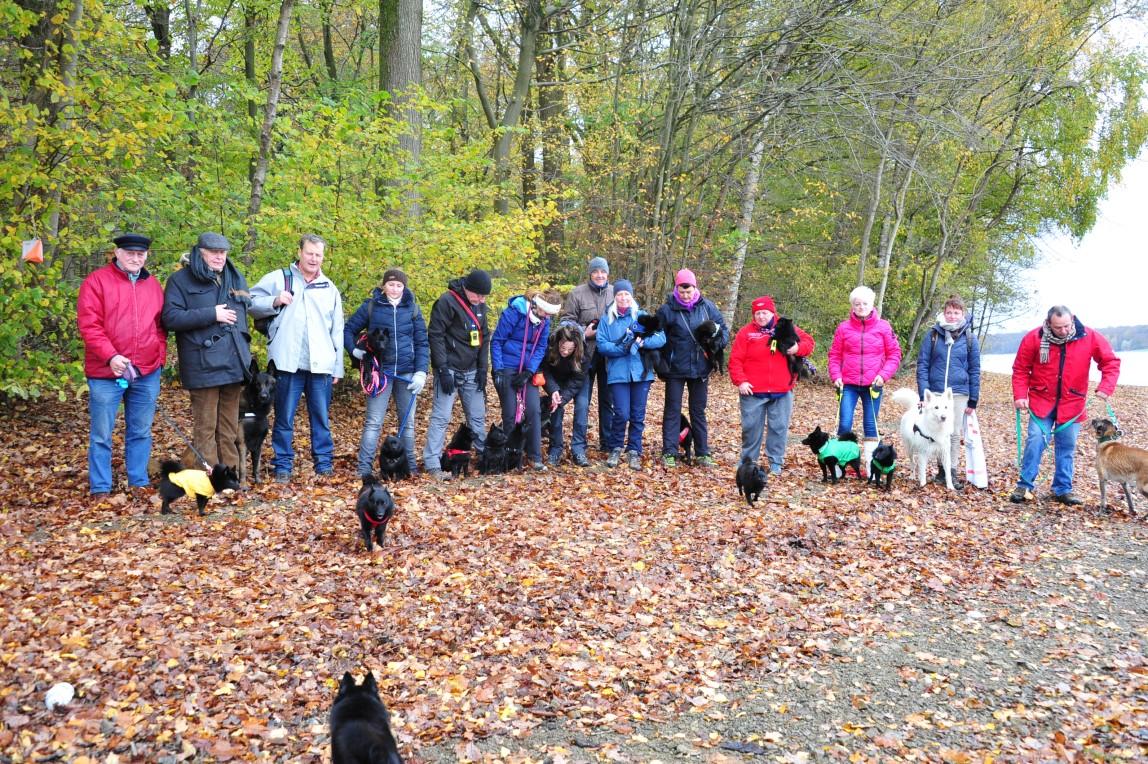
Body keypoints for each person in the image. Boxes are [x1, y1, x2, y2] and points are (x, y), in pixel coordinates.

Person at [77, 233, 167, 499]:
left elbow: (160, 326)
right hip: (106, 373)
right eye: (130, 253)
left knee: (140, 430)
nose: (135, 258)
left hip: (146, 372)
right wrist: (111, 357)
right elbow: (89, 325)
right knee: (102, 433)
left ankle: (137, 480)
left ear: (146, 256)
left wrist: (158, 356)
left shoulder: (153, 285)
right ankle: (101, 486)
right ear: (117, 253)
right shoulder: (96, 282)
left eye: (140, 254)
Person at [249, 234, 344, 482]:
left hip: (320, 364)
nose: (313, 258)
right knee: (284, 417)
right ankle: (282, 465)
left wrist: (338, 367)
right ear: (300, 252)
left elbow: (337, 330)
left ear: (323, 257)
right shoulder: (279, 278)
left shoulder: (329, 287)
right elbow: (249, 301)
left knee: (321, 418)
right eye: (309, 253)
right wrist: (274, 300)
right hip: (286, 364)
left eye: (318, 254)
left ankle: (323, 463)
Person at [1010, 305, 1120, 505]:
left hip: (1073, 404)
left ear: (1073, 320)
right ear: (1049, 324)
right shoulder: (1033, 338)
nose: (1063, 331)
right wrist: (1020, 395)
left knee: (1066, 446)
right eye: (1058, 327)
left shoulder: (1090, 336)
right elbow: (1020, 368)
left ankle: (1062, 489)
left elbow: (1111, 363)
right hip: (1041, 400)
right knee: (1035, 439)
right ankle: (1024, 485)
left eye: (1066, 326)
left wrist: (1106, 387)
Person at [162, 232, 253, 471]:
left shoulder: (234, 278)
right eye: (214, 252)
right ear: (199, 253)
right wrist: (211, 314)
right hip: (202, 365)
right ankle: (209, 478)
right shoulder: (180, 280)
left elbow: (245, 317)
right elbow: (170, 318)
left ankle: (230, 476)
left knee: (229, 426)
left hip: (234, 364)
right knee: (205, 427)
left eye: (223, 252)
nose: (219, 257)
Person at [343, 268, 428, 478]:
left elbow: (422, 343)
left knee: (407, 424)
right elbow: (348, 330)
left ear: (404, 287)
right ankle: (364, 469)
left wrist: (421, 372)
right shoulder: (371, 306)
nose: (395, 288)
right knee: (373, 423)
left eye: (399, 285)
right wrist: (354, 351)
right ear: (384, 286)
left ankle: (409, 468)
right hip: (379, 372)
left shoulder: (413, 309)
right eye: (391, 284)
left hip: (407, 373)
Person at [728, 295, 815, 476]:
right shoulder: (746, 333)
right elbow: (735, 359)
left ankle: (775, 461)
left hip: (782, 389)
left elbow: (808, 342)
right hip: (752, 390)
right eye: (758, 313)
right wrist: (741, 381)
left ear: (772, 313)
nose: (761, 316)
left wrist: (798, 349)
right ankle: (748, 461)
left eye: (765, 313)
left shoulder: (785, 327)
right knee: (751, 428)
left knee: (779, 427)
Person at [423, 269, 493, 481]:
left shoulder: (480, 305)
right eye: (478, 295)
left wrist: (483, 368)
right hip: (450, 369)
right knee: (441, 417)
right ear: (467, 288)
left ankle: (485, 459)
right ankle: (432, 463)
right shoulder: (446, 302)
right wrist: (442, 369)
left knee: (477, 417)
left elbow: (484, 336)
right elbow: (435, 335)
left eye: (483, 297)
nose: (480, 300)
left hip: (472, 370)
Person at [655, 268, 728, 467]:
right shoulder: (666, 310)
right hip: (675, 369)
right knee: (672, 410)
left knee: (698, 410)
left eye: (689, 291)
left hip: (701, 368)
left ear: (695, 288)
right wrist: (660, 365)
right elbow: (656, 337)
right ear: (676, 288)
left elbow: (724, 330)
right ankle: (669, 451)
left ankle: (703, 453)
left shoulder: (708, 307)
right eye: (682, 291)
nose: (685, 295)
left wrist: (716, 344)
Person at [827, 285, 902, 475]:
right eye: (857, 304)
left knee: (871, 424)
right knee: (844, 423)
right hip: (848, 385)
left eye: (864, 303)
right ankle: (841, 464)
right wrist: (836, 376)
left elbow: (894, 355)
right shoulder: (843, 328)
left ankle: (872, 466)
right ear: (852, 305)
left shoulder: (883, 327)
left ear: (872, 304)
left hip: (873, 385)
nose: (861, 307)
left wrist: (883, 376)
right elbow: (834, 355)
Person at [595, 279, 666, 470]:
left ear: (631, 296)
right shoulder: (607, 320)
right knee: (621, 413)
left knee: (637, 414)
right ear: (615, 297)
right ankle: (616, 446)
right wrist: (623, 348)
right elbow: (602, 345)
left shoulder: (641, 316)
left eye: (626, 294)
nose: (623, 298)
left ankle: (634, 449)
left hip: (641, 373)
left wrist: (644, 343)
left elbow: (661, 337)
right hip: (617, 374)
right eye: (619, 294)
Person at [491, 288, 561, 470]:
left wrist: (529, 372)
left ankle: (534, 456)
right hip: (506, 365)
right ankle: (509, 457)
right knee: (511, 413)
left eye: (551, 314)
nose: (547, 317)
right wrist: (498, 370)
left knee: (534, 410)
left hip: (527, 370)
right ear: (538, 305)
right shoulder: (515, 313)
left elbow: (541, 347)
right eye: (546, 312)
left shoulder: (545, 321)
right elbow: (497, 340)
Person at [916, 294, 981, 489]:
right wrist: (923, 394)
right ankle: (940, 470)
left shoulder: (969, 338)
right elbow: (923, 364)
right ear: (943, 313)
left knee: (953, 432)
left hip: (959, 392)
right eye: (949, 312)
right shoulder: (933, 335)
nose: (952, 316)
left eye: (956, 312)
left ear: (963, 314)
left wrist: (973, 399)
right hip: (934, 391)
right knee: (934, 428)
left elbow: (975, 369)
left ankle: (950, 470)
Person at [560, 256, 614, 466]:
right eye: (596, 272)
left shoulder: (615, 292)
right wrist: (584, 332)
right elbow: (565, 322)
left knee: (607, 402)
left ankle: (608, 443)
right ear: (590, 273)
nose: (600, 275)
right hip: (583, 356)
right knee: (582, 402)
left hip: (609, 357)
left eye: (603, 272)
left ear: (608, 274)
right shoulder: (577, 293)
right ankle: (578, 447)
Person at [540, 323, 587, 466]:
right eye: (563, 348)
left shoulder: (583, 354)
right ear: (558, 343)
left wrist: (564, 397)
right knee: (555, 408)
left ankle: (578, 449)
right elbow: (545, 371)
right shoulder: (549, 346)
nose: (565, 352)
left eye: (570, 349)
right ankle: (555, 448)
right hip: (555, 378)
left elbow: (578, 380)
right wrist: (554, 390)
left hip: (578, 378)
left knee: (582, 406)